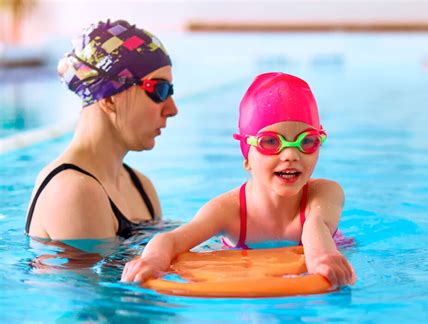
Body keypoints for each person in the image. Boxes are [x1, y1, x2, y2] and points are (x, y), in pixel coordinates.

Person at [121, 72, 355, 288]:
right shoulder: (228, 210)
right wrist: (151, 260)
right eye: (270, 142)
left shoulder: (324, 192)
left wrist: (324, 259)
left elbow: (316, 226)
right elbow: (171, 240)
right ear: (247, 159)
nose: (291, 155)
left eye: (307, 141)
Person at [25, 19, 178, 240]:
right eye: (159, 89)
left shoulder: (141, 187)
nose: (172, 109)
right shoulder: (73, 192)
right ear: (108, 98)